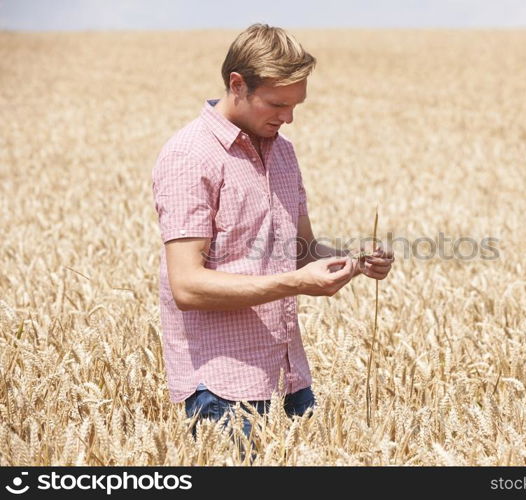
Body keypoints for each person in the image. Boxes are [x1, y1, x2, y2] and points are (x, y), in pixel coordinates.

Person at [150, 23, 394, 444]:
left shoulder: (283, 150)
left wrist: (357, 262)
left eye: (296, 105)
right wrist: (297, 284)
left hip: (289, 376)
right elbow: (186, 286)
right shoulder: (189, 156)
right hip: (221, 388)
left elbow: (300, 252)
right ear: (237, 84)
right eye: (277, 104)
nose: (288, 117)